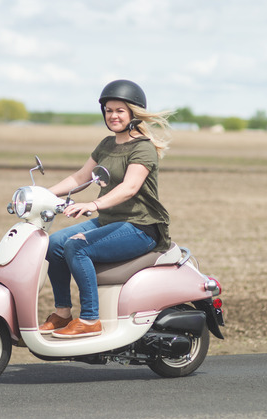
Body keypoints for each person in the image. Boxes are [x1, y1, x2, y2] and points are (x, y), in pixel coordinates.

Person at [39, 79, 174, 338]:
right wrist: (42, 194)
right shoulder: (106, 144)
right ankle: (63, 313)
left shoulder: (143, 148)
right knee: (54, 243)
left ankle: (90, 319)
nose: (113, 116)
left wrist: (93, 204)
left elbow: (129, 188)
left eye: (120, 110)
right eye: (109, 110)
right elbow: (80, 178)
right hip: (110, 221)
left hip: (140, 226)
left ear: (134, 113)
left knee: (76, 247)